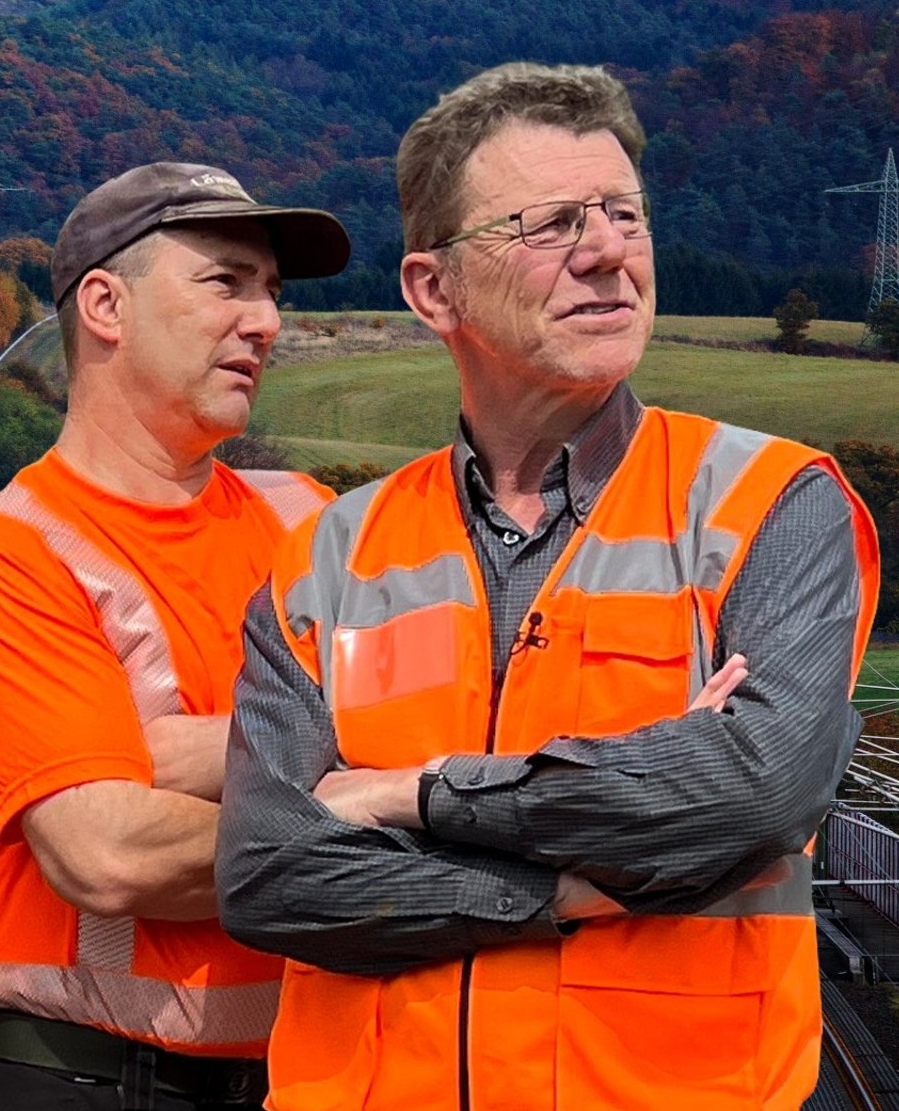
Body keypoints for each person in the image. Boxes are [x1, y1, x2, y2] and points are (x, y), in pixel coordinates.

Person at [216, 61, 882, 1111]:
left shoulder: (768, 503)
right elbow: (270, 878)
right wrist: (575, 885)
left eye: (624, 214)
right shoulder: (325, 557)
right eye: (550, 223)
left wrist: (413, 793)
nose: (609, 251)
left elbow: (751, 793)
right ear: (434, 289)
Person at [0, 163, 350, 1109]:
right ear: (107, 306)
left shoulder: (313, 527)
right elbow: (105, 853)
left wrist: (158, 757)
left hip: (302, 1076)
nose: (266, 322)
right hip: (74, 1078)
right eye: (225, 283)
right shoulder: (10, 555)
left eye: (271, 293)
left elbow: (445, 726)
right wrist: (381, 803)